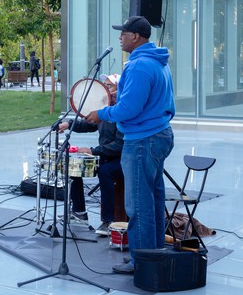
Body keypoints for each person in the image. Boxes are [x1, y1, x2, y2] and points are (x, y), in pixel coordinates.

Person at [86, 16, 175, 275]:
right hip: (160, 135)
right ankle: (153, 253)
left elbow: (129, 109)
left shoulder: (138, 67)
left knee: (138, 204)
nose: (119, 37)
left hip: (142, 141)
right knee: (154, 198)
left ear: (136, 36)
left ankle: (141, 261)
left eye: (123, 33)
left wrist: (101, 113)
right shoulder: (159, 63)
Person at [58, 74, 124, 235]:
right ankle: (79, 211)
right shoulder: (104, 110)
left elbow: (119, 146)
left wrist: (93, 151)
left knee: (105, 171)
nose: (105, 90)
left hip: (121, 159)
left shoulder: (121, 112)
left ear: (118, 90)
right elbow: (89, 124)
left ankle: (108, 220)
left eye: (109, 86)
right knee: (74, 164)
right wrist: (69, 124)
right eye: (105, 85)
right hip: (105, 156)